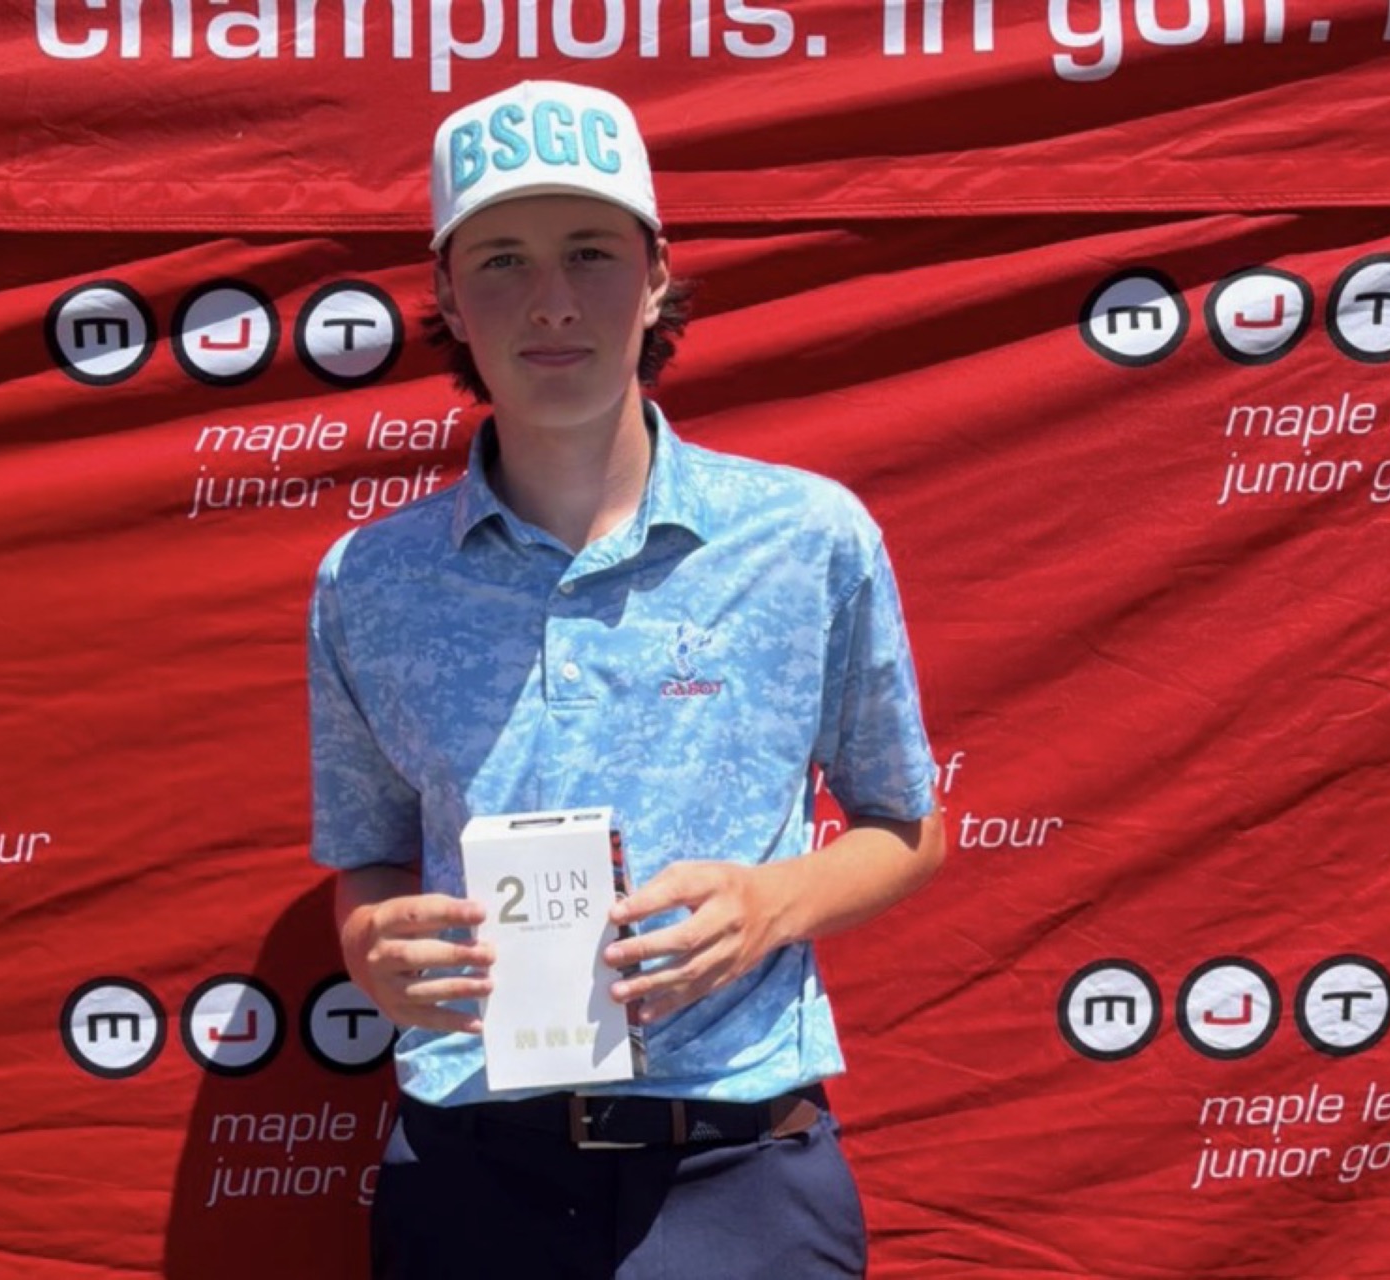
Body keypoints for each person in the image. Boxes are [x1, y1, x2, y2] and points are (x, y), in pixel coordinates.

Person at [307, 79, 944, 1279]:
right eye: (501, 260)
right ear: (448, 295)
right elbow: (372, 854)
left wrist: (772, 904)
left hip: (742, 1165)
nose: (551, 300)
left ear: (655, 276)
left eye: (590, 252)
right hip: (471, 1173)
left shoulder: (807, 537)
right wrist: (370, 943)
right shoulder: (370, 581)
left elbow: (909, 827)